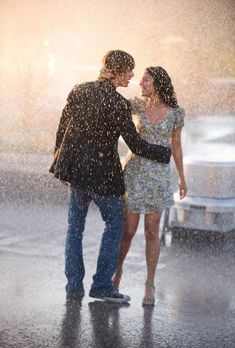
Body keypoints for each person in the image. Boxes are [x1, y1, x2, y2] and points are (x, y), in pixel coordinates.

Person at [50, 51, 171, 303]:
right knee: (115, 226)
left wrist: (61, 164)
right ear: (118, 70)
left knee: (74, 230)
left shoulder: (79, 90)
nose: (132, 76)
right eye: (130, 71)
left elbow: (62, 129)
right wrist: (164, 153)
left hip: (78, 176)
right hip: (104, 177)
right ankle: (102, 286)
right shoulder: (117, 104)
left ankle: (74, 286)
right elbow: (136, 145)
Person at [112, 66, 187, 306]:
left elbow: (176, 146)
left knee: (152, 232)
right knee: (128, 232)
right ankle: (117, 273)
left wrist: (182, 178)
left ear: (157, 83)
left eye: (145, 80)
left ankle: (149, 284)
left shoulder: (176, 112)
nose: (141, 83)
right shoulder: (136, 105)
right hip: (135, 175)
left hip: (158, 178)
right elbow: (113, 104)